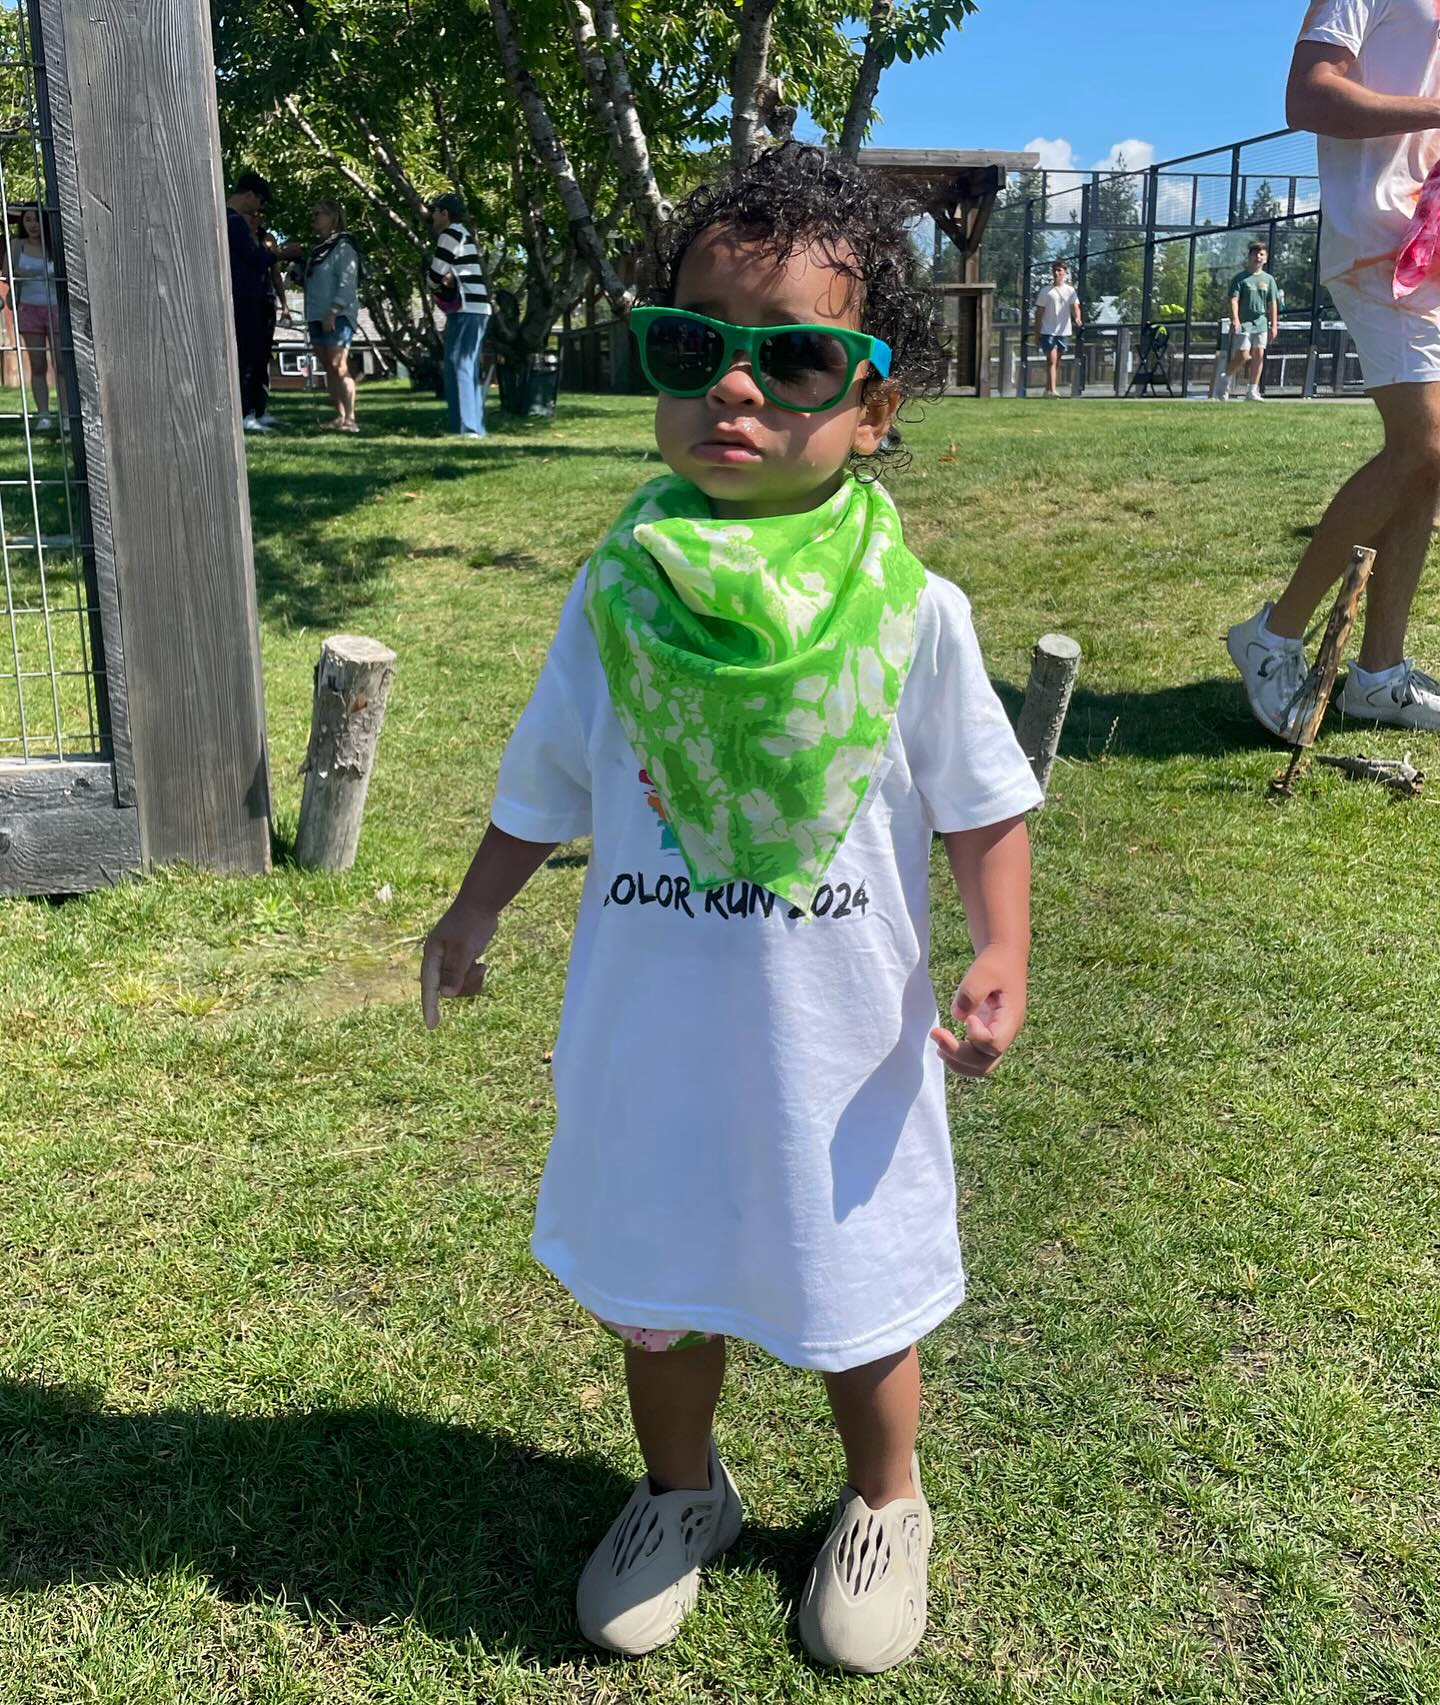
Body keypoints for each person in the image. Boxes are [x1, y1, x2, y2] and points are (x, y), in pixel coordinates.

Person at [420, 144, 1041, 1675]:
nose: (738, 392)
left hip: (842, 1056)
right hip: (657, 1045)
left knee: (856, 1298)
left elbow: (982, 797)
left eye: (798, 358)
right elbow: (546, 776)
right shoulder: (618, 590)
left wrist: (1003, 943)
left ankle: (886, 1498)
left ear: (875, 405)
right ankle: (681, 1490)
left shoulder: (916, 612)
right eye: (695, 347)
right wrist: (473, 910)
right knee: (659, 1289)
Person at [1230, 1, 1440, 734]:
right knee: (1424, 441)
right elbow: (1309, 93)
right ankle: (1272, 636)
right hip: (1376, 238)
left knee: (1430, 462)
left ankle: (1378, 674)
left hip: (1426, 242)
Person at [427, 192, 491, 439]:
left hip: (466, 307)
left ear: (445, 213)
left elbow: (436, 272)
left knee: (458, 363)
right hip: (475, 308)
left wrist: (434, 285)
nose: (432, 216)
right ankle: (472, 426)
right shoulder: (463, 232)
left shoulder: (451, 233)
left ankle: (467, 428)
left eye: (435, 211)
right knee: (466, 365)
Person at [5, 205, 70, 432]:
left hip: (56, 308)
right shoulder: (17, 245)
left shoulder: (57, 245)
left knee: (62, 364)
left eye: (37, 220)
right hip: (29, 309)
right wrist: (20, 274)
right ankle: (43, 415)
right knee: (38, 364)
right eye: (28, 220)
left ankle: (66, 415)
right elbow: (7, 273)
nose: (32, 224)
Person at [226, 171, 280, 434]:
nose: (260, 208)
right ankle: (245, 411)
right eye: (260, 201)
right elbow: (252, 258)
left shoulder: (226, 219)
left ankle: (256, 408)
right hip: (245, 298)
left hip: (246, 297)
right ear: (249, 195)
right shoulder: (233, 222)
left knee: (255, 356)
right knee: (247, 357)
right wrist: (276, 254)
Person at [303, 199, 362, 433]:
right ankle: (340, 416)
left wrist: (334, 311)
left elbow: (348, 283)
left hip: (337, 315)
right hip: (316, 315)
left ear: (333, 217)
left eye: (319, 214)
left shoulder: (344, 247)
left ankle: (351, 418)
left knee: (339, 364)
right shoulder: (319, 250)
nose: (314, 218)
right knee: (327, 365)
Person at [1221, 242, 1281, 401]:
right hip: (1244, 323)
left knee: (1259, 354)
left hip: (1261, 323)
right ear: (1249, 257)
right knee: (1242, 355)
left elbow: (1272, 303)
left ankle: (1252, 391)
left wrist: (1274, 325)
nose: (1258, 257)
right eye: (1255, 254)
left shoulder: (1269, 280)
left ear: (1266, 259)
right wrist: (1235, 319)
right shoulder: (1240, 279)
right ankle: (1225, 378)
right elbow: (1234, 299)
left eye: (1261, 254)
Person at [1033, 258, 1082, 397]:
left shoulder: (1070, 291)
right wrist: (1037, 334)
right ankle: (1053, 390)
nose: (1056, 273)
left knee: (1056, 361)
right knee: (1052, 360)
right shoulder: (1046, 291)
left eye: (1059, 270)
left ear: (1065, 273)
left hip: (1063, 331)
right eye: (1054, 270)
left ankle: (1047, 389)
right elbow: (1039, 314)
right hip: (1048, 331)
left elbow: (1075, 307)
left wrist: (1077, 318)